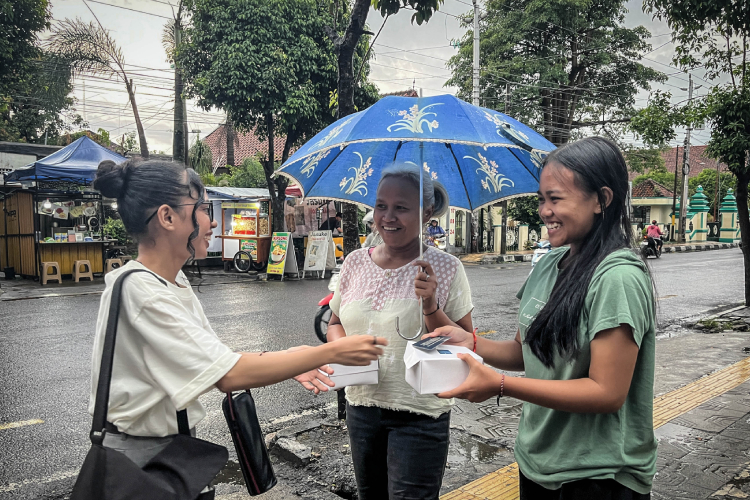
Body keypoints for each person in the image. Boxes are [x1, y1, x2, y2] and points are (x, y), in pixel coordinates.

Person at [89, 159, 387, 470]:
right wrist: (329, 351)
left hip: (165, 447)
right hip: (139, 461)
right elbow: (229, 375)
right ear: (167, 217)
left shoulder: (169, 281)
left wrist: (289, 356)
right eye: (203, 209)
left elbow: (213, 359)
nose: (212, 222)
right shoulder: (144, 292)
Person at [425, 137, 657, 499]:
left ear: (602, 200)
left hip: (597, 475)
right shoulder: (550, 264)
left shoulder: (618, 278)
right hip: (539, 463)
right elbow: (525, 353)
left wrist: (500, 385)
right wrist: (469, 342)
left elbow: (607, 392)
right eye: (541, 199)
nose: (544, 211)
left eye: (556, 198)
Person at [327, 162, 475, 500]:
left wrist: (431, 306)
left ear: (426, 213)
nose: (387, 217)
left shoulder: (445, 267)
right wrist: (343, 349)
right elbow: (335, 324)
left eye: (401, 208)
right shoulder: (354, 262)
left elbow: (466, 345)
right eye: (381, 205)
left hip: (419, 415)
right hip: (362, 406)